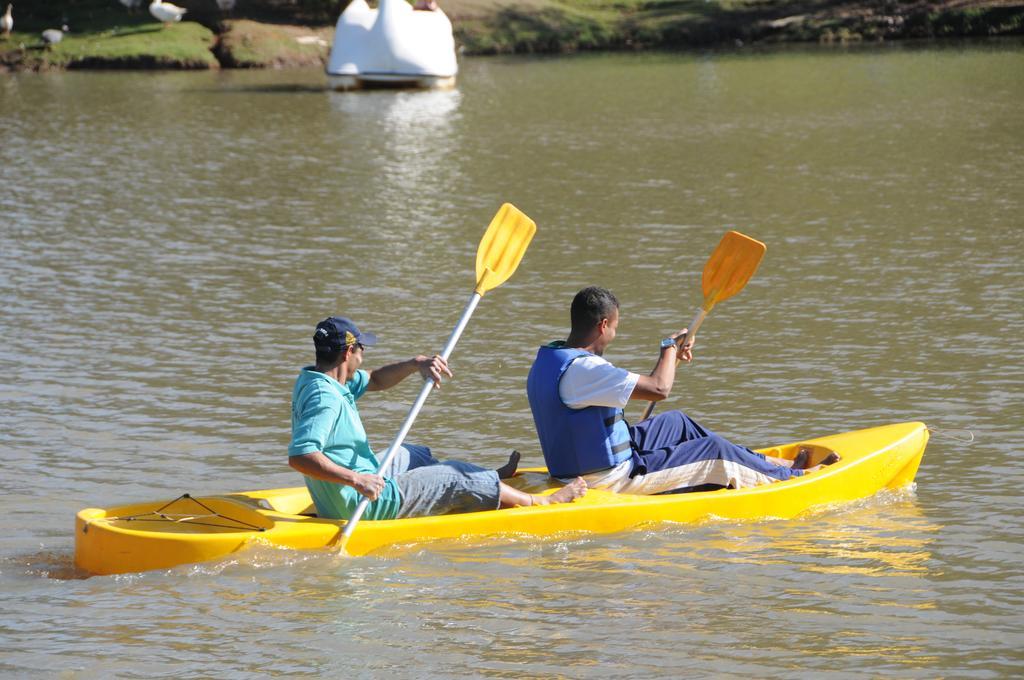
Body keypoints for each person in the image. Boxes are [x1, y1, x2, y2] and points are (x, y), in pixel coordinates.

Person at [526, 286, 838, 494]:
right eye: (616, 328)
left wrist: (671, 355)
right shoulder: (586, 370)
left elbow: (648, 389)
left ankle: (769, 463)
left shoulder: (555, 360)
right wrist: (667, 351)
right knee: (713, 450)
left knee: (677, 422)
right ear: (603, 325)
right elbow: (659, 388)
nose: (614, 335)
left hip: (586, 462)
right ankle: (794, 480)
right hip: (608, 478)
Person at [289, 316, 586, 521]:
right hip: (360, 503)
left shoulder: (324, 379)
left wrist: (417, 363)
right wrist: (357, 480)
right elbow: (301, 455)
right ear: (348, 352)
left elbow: (376, 380)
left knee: (414, 454)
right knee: (454, 475)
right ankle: (538, 502)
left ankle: (484, 483)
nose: (364, 355)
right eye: (362, 348)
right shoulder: (325, 398)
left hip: (359, 482)